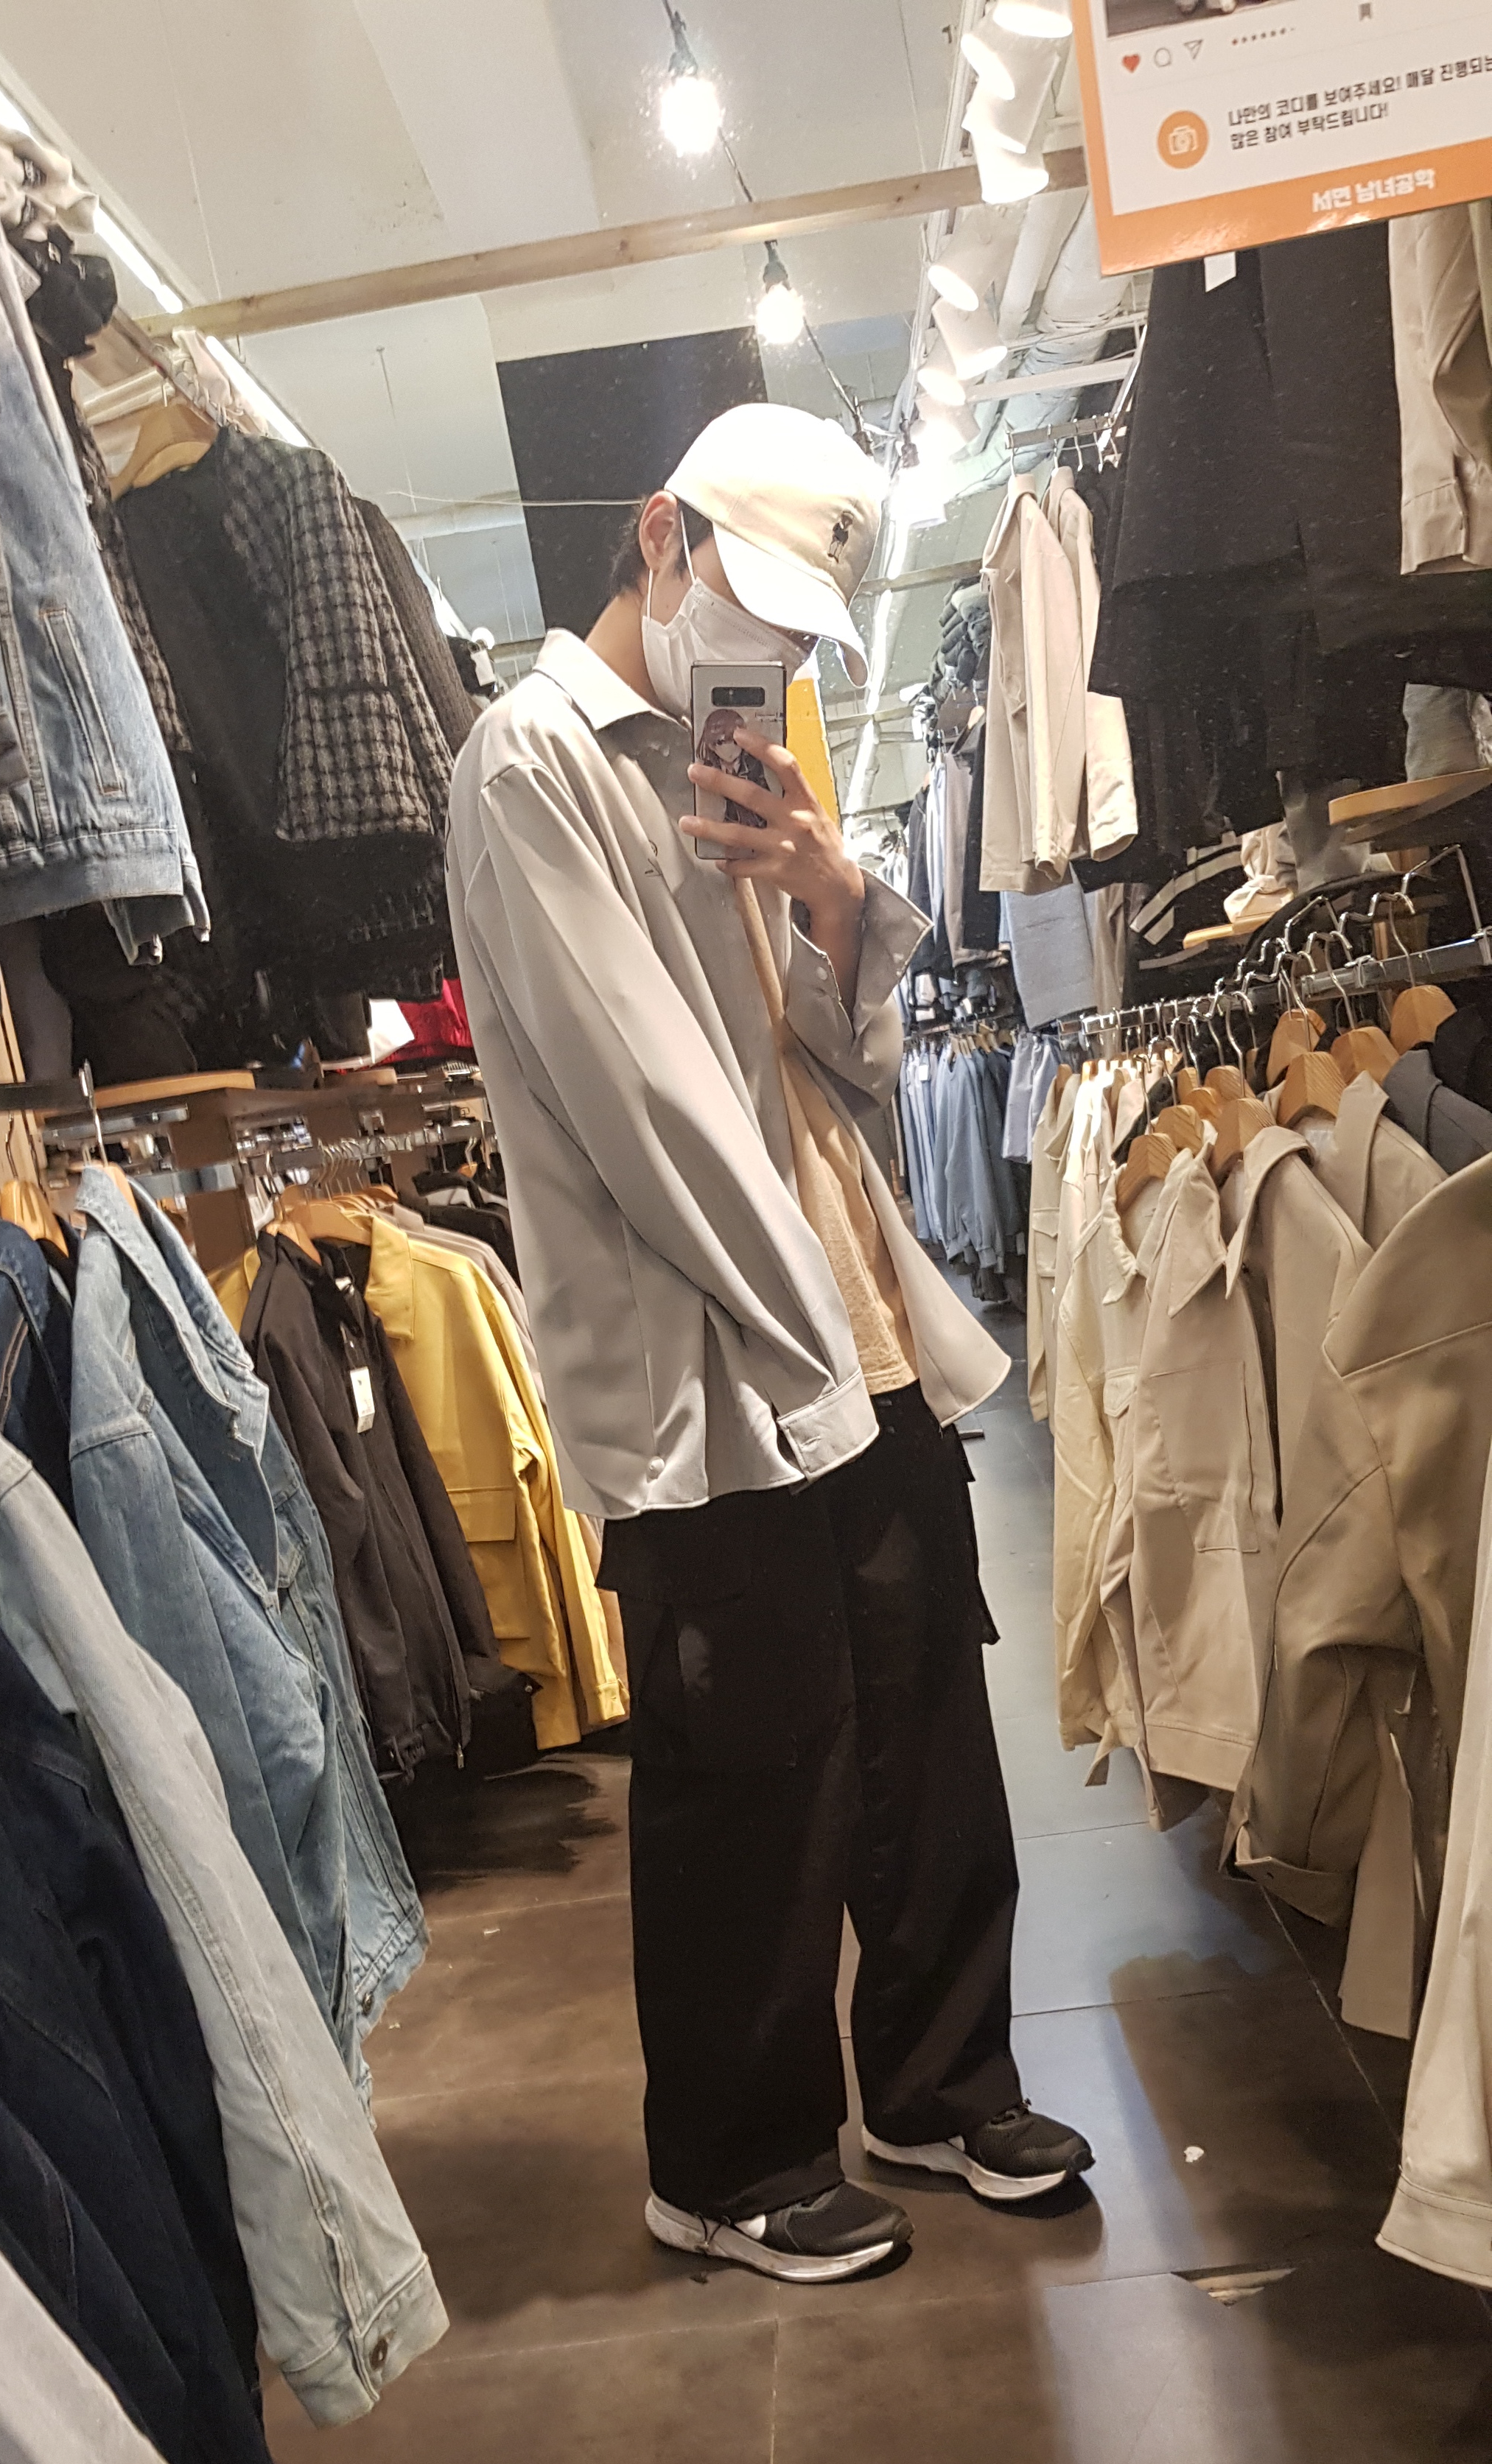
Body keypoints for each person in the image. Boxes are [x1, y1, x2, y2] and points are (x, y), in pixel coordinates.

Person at [446, 400, 1093, 2285]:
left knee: (925, 1713)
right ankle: (727, 2160)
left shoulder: (733, 762)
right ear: (661, 536)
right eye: (760, 607)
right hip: (715, 1359)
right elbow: (645, 1111)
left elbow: (843, 1068)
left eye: (809, 634)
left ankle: (940, 2078)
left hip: (853, 1315)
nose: (779, 658)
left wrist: (826, 893)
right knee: (753, 1759)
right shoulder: (535, 763)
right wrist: (816, 1329)